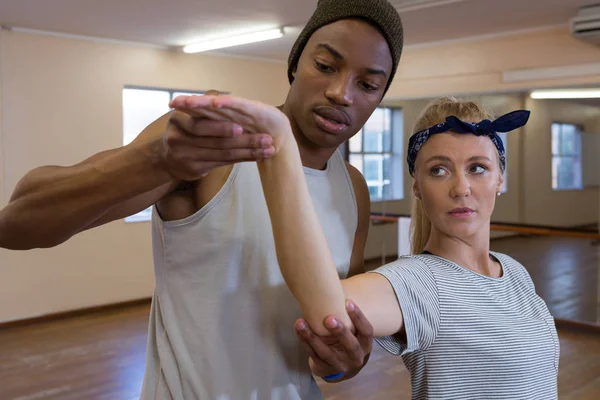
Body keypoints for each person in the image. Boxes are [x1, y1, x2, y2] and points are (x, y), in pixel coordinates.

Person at [0, 0, 404, 398]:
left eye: (367, 84)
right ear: (296, 62)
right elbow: (17, 222)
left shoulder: (352, 188)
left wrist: (342, 364)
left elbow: (327, 339)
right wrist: (153, 159)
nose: (341, 93)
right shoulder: (217, 141)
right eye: (325, 65)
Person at [175, 94, 560, 399]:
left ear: (500, 179)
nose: (460, 188)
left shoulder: (514, 272)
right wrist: (279, 151)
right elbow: (327, 309)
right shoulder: (419, 283)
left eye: (478, 167)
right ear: (417, 187)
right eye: (438, 170)